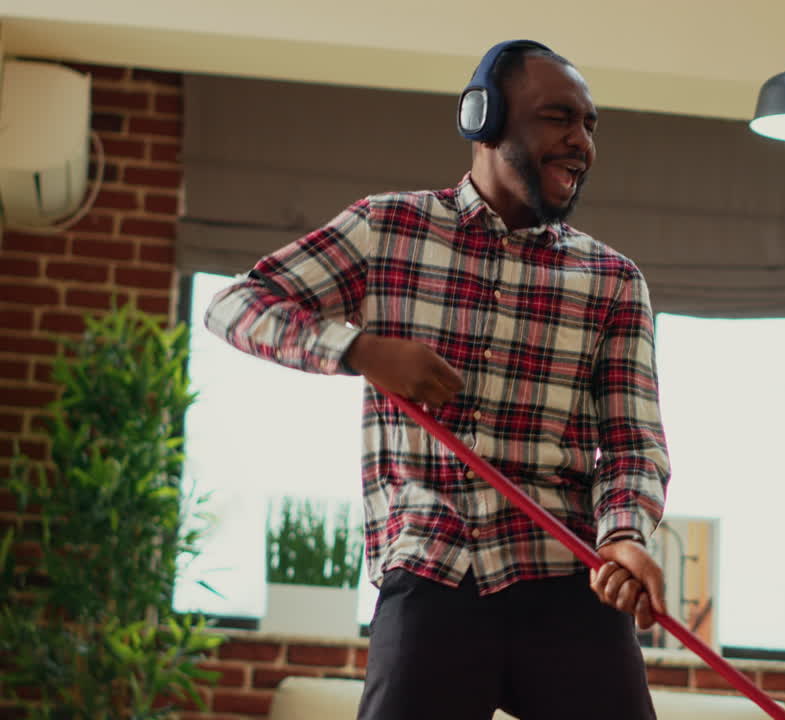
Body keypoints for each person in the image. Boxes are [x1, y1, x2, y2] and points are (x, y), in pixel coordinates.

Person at [204, 39, 671, 720]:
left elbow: (633, 443)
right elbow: (234, 306)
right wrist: (360, 350)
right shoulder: (385, 229)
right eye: (558, 118)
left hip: (568, 577)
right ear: (485, 120)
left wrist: (623, 535)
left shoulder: (614, 281)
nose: (581, 143)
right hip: (432, 570)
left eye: (590, 125)